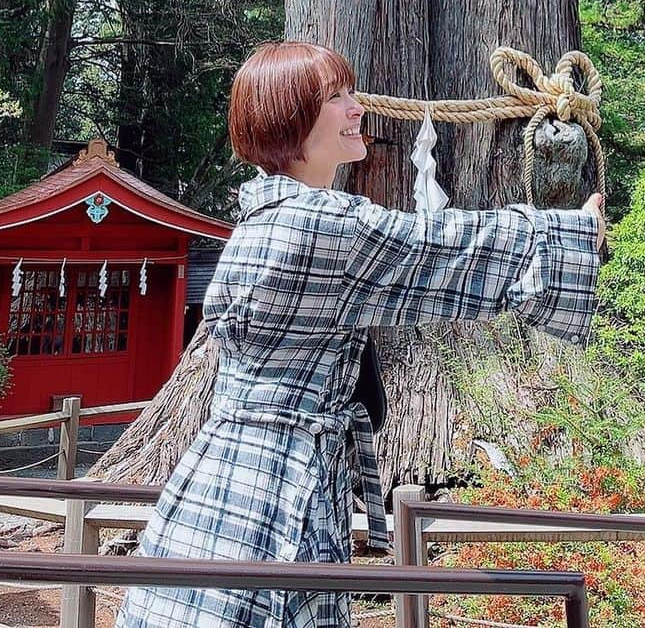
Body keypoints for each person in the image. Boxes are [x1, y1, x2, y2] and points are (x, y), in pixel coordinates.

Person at [116, 41, 605, 628]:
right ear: (290, 118)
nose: (357, 109)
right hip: (274, 492)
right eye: (336, 97)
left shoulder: (266, 218)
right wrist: (570, 232)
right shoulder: (321, 225)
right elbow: (437, 249)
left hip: (227, 477)